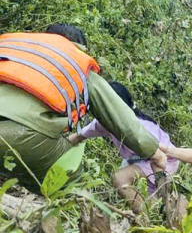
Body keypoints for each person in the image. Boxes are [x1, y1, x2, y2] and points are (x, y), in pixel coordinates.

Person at [0, 24, 167, 194]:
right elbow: (122, 121)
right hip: (20, 135)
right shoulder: (76, 64)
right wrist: (156, 154)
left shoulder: (17, 46)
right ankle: (69, 212)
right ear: (79, 48)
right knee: (72, 182)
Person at [68, 82, 179, 213]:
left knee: (120, 179)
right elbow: (77, 137)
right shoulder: (104, 122)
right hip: (139, 159)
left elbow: (159, 157)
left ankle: (144, 218)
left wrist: (160, 179)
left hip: (163, 160)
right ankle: (150, 212)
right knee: (149, 201)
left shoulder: (139, 126)